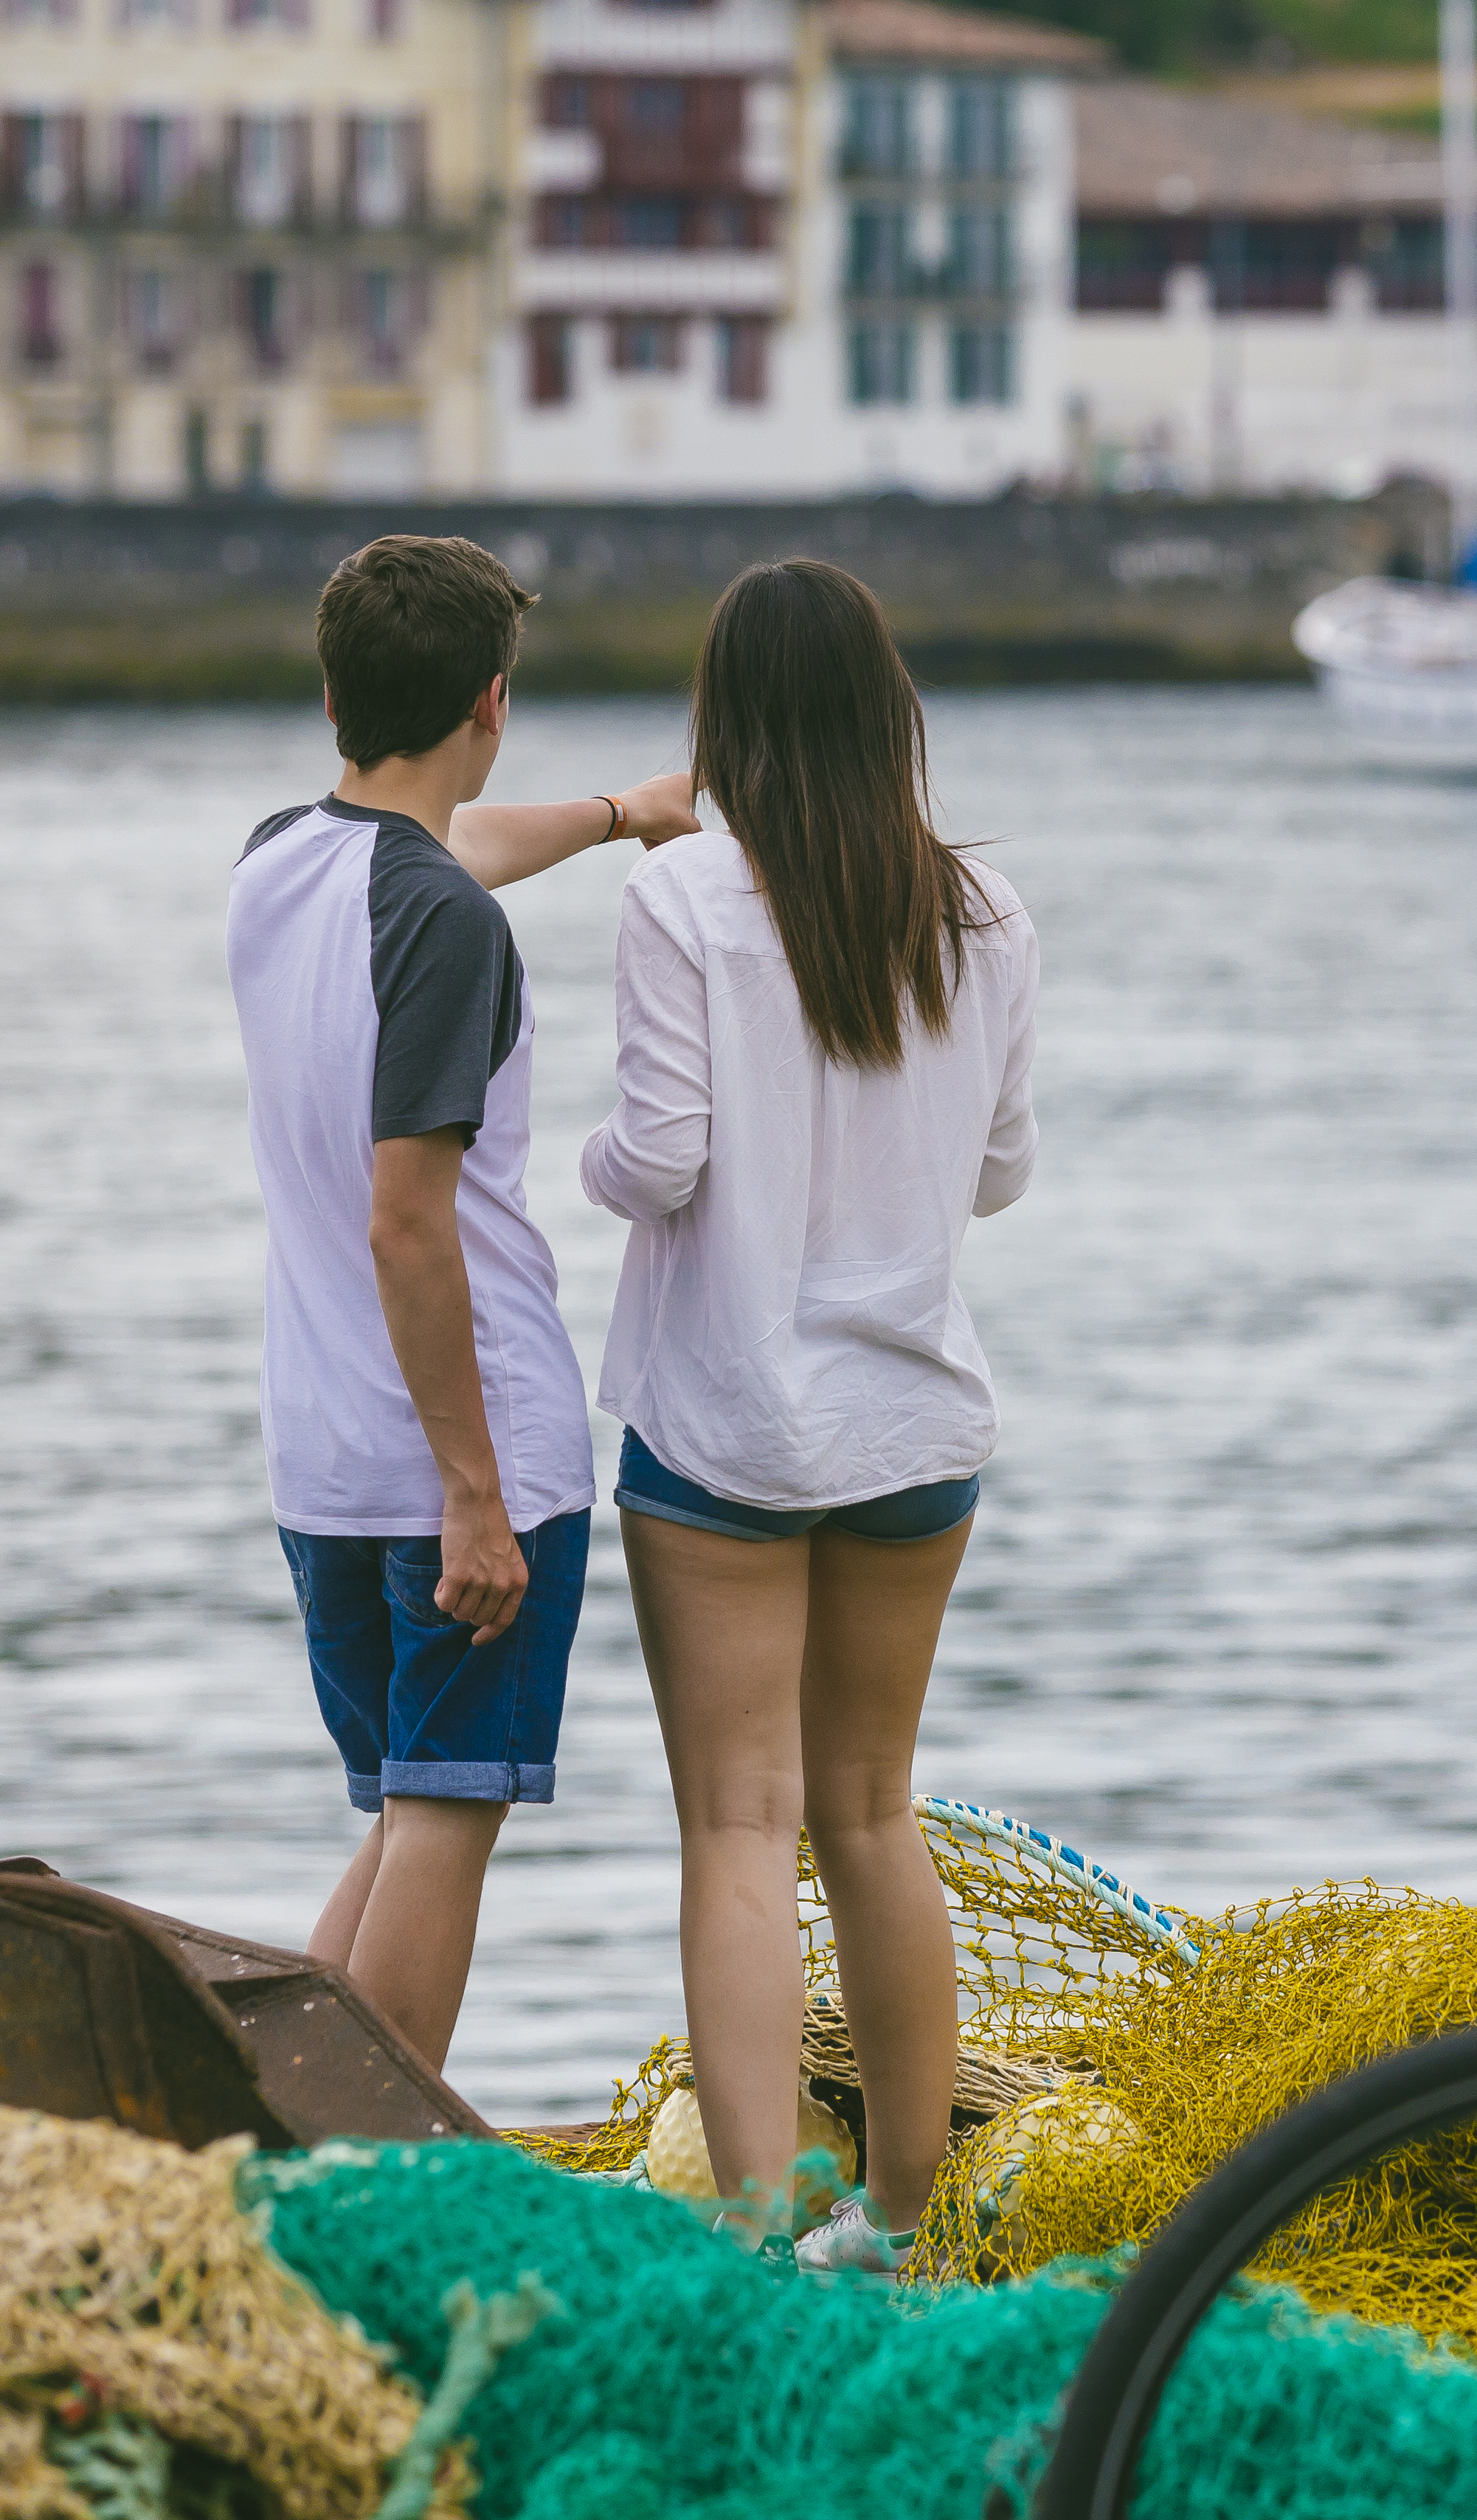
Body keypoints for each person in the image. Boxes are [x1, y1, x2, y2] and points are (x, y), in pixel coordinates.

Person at [580, 558, 1040, 2271]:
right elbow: (999, 1172)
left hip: (724, 1433)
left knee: (739, 1826)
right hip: (917, 1425)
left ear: (729, 723)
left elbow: (663, 1156)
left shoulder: (684, 899)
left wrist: (583, 1164)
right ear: (885, 710)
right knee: (871, 1811)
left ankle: (765, 2236)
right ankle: (911, 2219)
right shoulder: (984, 909)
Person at [228, 533, 694, 2068]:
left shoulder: (281, 863)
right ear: (494, 700)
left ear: (330, 696)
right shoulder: (444, 926)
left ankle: (278, 2139)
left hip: (321, 1462)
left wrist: (628, 813)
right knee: (442, 1823)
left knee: (403, 1816)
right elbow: (409, 1226)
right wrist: (477, 1500)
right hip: (454, 1460)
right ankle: (368, 2186)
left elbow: (451, 844)